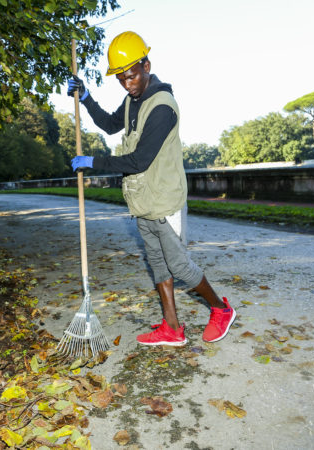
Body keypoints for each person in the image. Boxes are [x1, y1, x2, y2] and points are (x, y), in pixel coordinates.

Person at [67, 31, 235, 345]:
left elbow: (140, 160)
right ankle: (172, 328)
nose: (127, 84)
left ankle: (220, 308)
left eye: (130, 76)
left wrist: (94, 161)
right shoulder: (133, 98)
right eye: (120, 79)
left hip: (166, 199)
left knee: (179, 265)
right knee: (157, 264)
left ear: (146, 65)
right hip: (144, 200)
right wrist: (86, 97)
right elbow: (109, 125)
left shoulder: (162, 106)